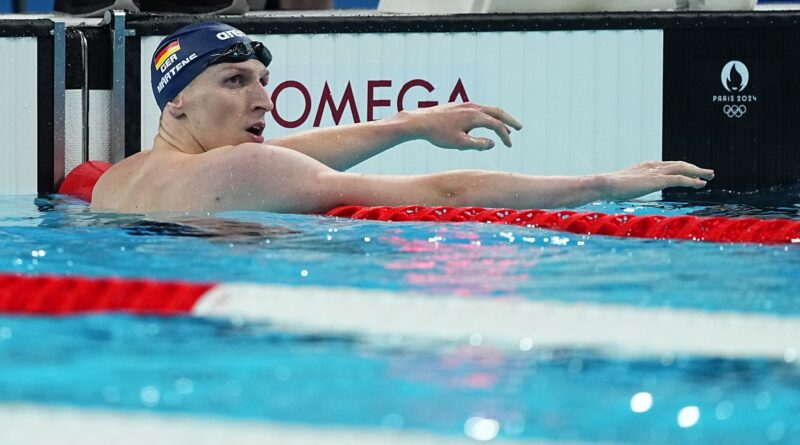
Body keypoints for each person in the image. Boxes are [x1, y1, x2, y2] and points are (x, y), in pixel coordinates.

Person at [91, 22, 714, 214]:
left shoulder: (113, 182)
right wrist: (602, 185)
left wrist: (410, 123)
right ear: (175, 100)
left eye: (262, 81)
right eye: (235, 82)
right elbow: (441, 191)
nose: (262, 99)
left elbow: (282, 161)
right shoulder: (243, 168)